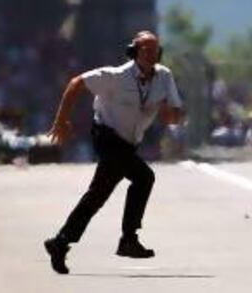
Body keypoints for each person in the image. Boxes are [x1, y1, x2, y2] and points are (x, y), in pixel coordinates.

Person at [43, 31, 184, 274]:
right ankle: (128, 239)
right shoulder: (116, 77)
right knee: (143, 177)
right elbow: (77, 83)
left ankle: (61, 242)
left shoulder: (164, 77)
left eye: (155, 51)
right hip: (106, 137)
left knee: (98, 194)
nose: (152, 56)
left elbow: (174, 113)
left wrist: (170, 115)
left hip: (129, 143)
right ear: (134, 52)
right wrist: (61, 120)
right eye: (146, 51)